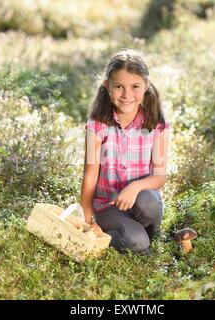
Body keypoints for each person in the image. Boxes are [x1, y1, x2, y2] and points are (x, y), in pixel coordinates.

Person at [80, 49, 169, 254]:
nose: (127, 95)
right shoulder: (98, 126)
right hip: (108, 206)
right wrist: (85, 218)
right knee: (136, 241)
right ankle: (127, 238)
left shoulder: (156, 124)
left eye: (135, 86)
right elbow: (90, 175)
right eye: (119, 87)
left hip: (141, 201)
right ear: (107, 87)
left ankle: (149, 236)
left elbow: (160, 176)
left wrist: (135, 187)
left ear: (146, 86)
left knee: (149, 201)